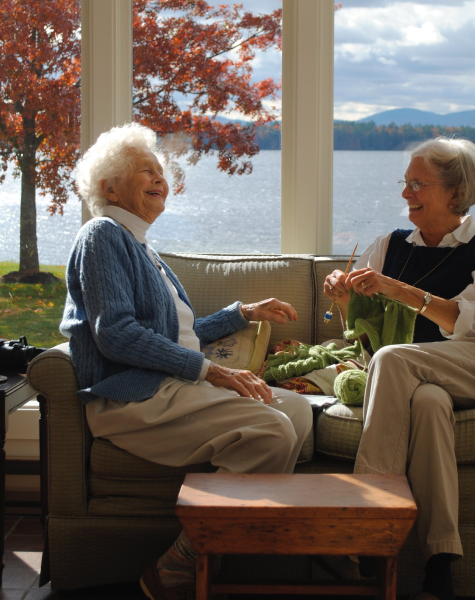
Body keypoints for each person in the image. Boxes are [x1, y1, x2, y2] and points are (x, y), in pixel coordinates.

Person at [60, 122, 313, 600]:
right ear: (108, 186)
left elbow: (178, 336)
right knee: (274, 430)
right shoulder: (102, 236)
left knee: (298, 412)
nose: (160, 179)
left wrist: (244, 313)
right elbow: (116, 335)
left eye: (161, 171)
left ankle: (235, 535)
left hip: (168, 388)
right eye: (144, 171)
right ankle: (182, 561)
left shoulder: (142, 250)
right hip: (133, 397)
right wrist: (214, 371)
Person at [323, 137, 475, 600]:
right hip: (420, 377)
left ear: (456, 192)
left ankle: (369, 524)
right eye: (405, 182)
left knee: (393, 360)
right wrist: (342, 295)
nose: (406, 193)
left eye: (418, 183)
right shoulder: (390, 245)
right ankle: (441, 566)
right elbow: (362, 328)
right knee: (428, 405)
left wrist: (398, 289)